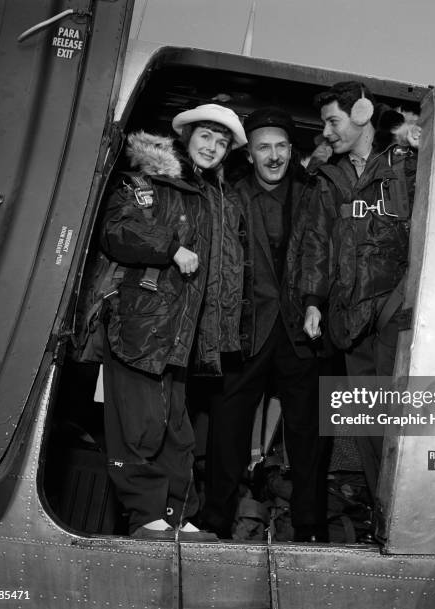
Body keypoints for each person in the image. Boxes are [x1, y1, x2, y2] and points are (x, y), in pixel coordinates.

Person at [100, 104, 247, 541]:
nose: (213, 147)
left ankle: (176, 517)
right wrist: (170, 247)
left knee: (176, 430)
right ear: (185, 137)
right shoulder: (149, 180)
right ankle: (146, 518)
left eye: (221, 143)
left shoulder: (214, 196)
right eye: (206, 137)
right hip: (141, 322)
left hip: (181, 331)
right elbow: (115, 229)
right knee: (141, 424)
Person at [201, 107, 330, 542]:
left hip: (297, 331)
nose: (273, 156)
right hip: (245, 330)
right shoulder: (231, 195)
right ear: (250, 154)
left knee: (307, 434)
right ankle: (215, 520)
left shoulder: (311, 194)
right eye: (263, 148)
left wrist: (314, 303)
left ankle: (311, 526)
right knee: (227, 428)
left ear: (292, 151)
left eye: (280, 147)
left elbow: (315, 251)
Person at [301, 82, 418, 513]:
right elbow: (315, 243)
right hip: (350, 322)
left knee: (399, 427)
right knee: (369, 427)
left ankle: (408, 513)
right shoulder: (329, 178)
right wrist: (313, 300)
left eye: (333, 121)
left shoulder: (408, 167)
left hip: (395, 317)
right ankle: (383, 515)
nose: (327, 133)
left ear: (362, 114)